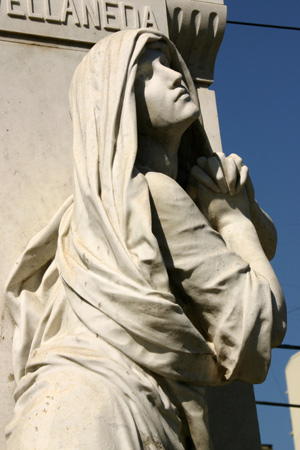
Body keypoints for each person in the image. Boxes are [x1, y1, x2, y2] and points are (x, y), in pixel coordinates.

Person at [5, 29, 286, 449]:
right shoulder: (154, 192)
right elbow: (258, 326)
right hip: (109, 411)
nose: (174, 76)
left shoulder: (93, 214)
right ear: (117, 102)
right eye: (145, 72)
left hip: (54, 410)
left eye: (170, 63)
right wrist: (233, 222)